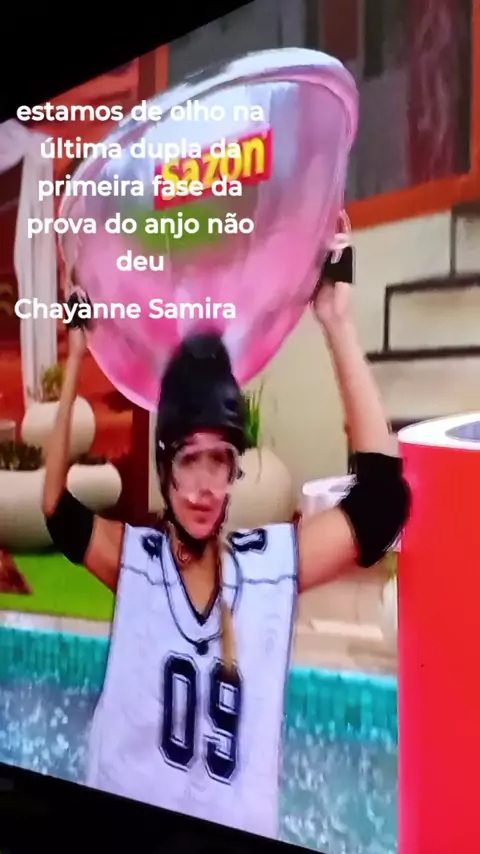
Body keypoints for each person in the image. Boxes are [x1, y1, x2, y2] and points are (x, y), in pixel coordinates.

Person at [42, 278, 410, 838]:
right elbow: (56, 507)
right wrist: (75, 357)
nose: (203, 486)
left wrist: (337, 321)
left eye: (219, 460)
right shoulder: (136, 564)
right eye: (189, 460)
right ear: (165, 468)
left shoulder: (264, 570)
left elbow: (381, 506)